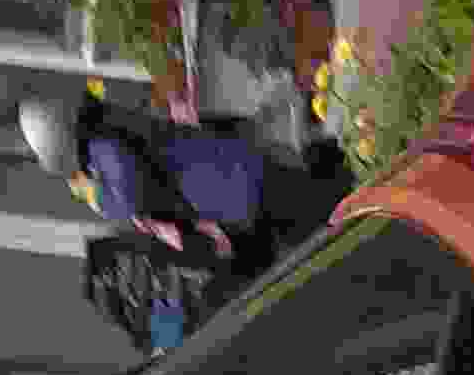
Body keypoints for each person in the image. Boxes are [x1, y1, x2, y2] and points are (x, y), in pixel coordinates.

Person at [20, 85, 335, 267]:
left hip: (234, 187)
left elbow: (134, 197)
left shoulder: (103, 147)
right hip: (235, 175)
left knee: (323, 216)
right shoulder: (107, 125)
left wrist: (99, 198)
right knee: (313, 215)